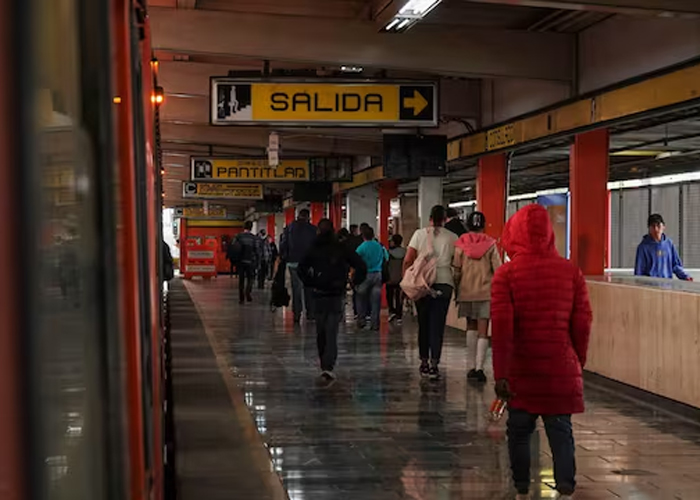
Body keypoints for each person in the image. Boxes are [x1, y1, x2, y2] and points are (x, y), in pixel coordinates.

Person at [491, 204, 592, 500]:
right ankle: (565, 490)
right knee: (561, 432)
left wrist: (501, 375)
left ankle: (522, 489)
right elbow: (583, 322)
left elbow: (502, 330)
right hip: (561, 367)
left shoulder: (506, 275)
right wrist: (577, 360)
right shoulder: (571, 272)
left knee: (519, 432)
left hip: (522, 371)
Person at [298, 219, 367, 385]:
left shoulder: (313, 248)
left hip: (319, 294)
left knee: (320, 330)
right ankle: (328, 365)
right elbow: (360, 265)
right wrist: (354, 282)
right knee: (332, 330)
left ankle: (324, 362)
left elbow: (301, 268)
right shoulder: (341, 247)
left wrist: (311, 282)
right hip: (336, 293)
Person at [404, 205, 458, 380]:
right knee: (438, 325)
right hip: (444, 283)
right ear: (445, 219)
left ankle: (424, 362)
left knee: (424, 323)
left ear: (430, 218)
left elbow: (408, 260)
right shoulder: (453, 237)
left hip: (422, 284)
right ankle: (435, 364)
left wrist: (407, 282)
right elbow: (457, 264)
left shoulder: (419, 234)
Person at [452, 211, 502, 384]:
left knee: (470, 327)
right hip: (485, 292)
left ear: (467, 224)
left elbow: (456, 270)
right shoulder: (491, 244)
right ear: (483, 225)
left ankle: (470, 366)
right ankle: (480, 368)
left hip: (466, 291)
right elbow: (498, 270)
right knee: (483, 330)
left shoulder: (460, 244)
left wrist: (457, 289)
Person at [280, 208, 318, 323]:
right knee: (309, 288)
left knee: (296, 288)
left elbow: (283, 244)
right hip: (308, 263)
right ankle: (310, 313)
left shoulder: (289, 228)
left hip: (293, 262)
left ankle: (297, 314)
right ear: (308, 217)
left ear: (298, 216)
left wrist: (285, 257)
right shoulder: (313, 229)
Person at [635, 213, 693, 281]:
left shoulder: (669, 244)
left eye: (658, 226)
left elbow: (675, 265)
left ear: (663, 227)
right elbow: (639, 271)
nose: (656, 229)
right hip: (650, 286)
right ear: (649, 229)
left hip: (667, 285)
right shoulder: (643, 247)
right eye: (653, 226)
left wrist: (685, 276)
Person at [355, 226, 388, 331]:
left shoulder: (361, 247)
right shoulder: (379, 246)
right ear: (373, 235)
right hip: (378, 274)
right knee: (376, 301)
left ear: (363, 236)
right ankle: (375, 324)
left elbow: (355, 259)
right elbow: (386, 257)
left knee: (360, 297)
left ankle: (361, 320)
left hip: (365, 275)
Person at [232, 221, 259, 304]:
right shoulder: (254, 238)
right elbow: (257, 250)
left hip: (240, 261)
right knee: (251, 278)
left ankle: (241, 298)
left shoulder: (238, 236)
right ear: (251, 228)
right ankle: (248, 291)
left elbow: (233, 247)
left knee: (241, 279)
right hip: (250, 261)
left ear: (244, 227)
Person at [386, 234, 406, 323]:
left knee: (389, 295)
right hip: (401, 277)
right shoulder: (405, 252)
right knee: (399, 296)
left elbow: (385, 264)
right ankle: (399, 314)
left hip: (390, 277)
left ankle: (392, 310)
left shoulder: (388, 253)